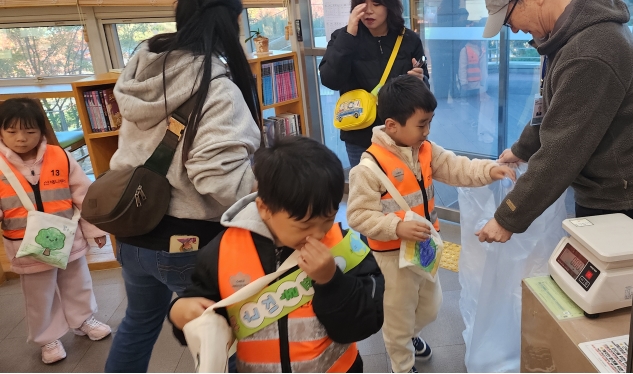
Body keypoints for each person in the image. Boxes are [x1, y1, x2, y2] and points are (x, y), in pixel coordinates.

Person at [104, 0, 262, 371]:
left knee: (139, 324)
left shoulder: (145, 68)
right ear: (232, 21)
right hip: (186, 241)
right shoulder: (215, 87)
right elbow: (216, 176)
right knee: (225, 334)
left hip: (132, 232)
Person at [169, 136, 385, 372]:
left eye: (328, 219)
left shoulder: (344, 246)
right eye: (304, 225)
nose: (317, 234)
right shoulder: (222, 252)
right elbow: (206, 315)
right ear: (264, 208)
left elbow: (367, 322)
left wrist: (331, 281)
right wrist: (180, 314)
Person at [347, 76, 516, 373]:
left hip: (424, 249)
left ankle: (410, 336)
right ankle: (402, 365)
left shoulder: (425, 149)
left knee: (430, 306)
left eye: (430, 123)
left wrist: (490, 170)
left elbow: (457, 167)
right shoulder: (368, 168)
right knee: (398, 317)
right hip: (391, 258)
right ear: (392, 126)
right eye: (421, 124)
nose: (427, 131)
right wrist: (396, 228)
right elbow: (358, 216)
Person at [475, 0, 633, 243]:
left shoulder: (590, 50)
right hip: (604, 187)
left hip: (619, 200)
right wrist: (521, 149)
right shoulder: (568, 37)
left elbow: (562, 151)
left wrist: (508, 216)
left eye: (508, 19)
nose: (512, 29)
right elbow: (554, 110)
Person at [0, 98, 111, 364]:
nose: (21, 139)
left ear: (41, 131)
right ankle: (47, 337)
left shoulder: (60, 155)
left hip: (67, 237)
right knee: (39, 294)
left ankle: (83, 319)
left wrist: (94, 228)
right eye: (12, 131)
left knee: (78, 282)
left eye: (29, 131)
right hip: (26, 245)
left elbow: (83, 195)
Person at [319, 0, 429, 168]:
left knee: (403, 190)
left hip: (401, 134)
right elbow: (330, 80)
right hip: (359, 134)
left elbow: (425, 90)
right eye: (362, 3)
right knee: (367, 190)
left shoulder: (409, 39)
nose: (368, 10)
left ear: (389, 6)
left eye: (376, 4)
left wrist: (420, 80)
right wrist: (348, 36)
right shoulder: (343, 37)